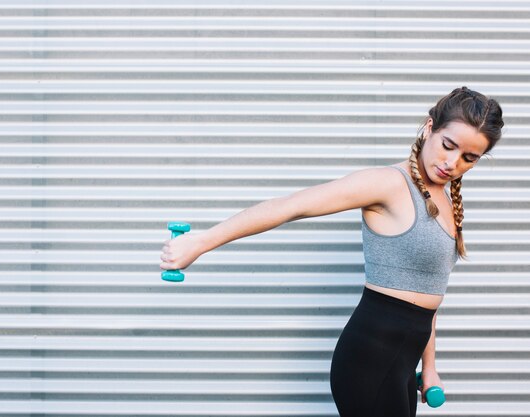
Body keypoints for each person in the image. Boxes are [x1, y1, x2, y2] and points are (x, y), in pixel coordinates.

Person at [159, 86, 504, 417]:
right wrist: (201, 242)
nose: (452, 162)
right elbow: (291, 206)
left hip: (401, 366)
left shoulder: (446, 200)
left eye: (468, 158)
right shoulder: (387, 183)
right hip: (370, 361)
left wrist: (429, 367)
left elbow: (430, 295)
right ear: (430, 128)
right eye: (448, 145)